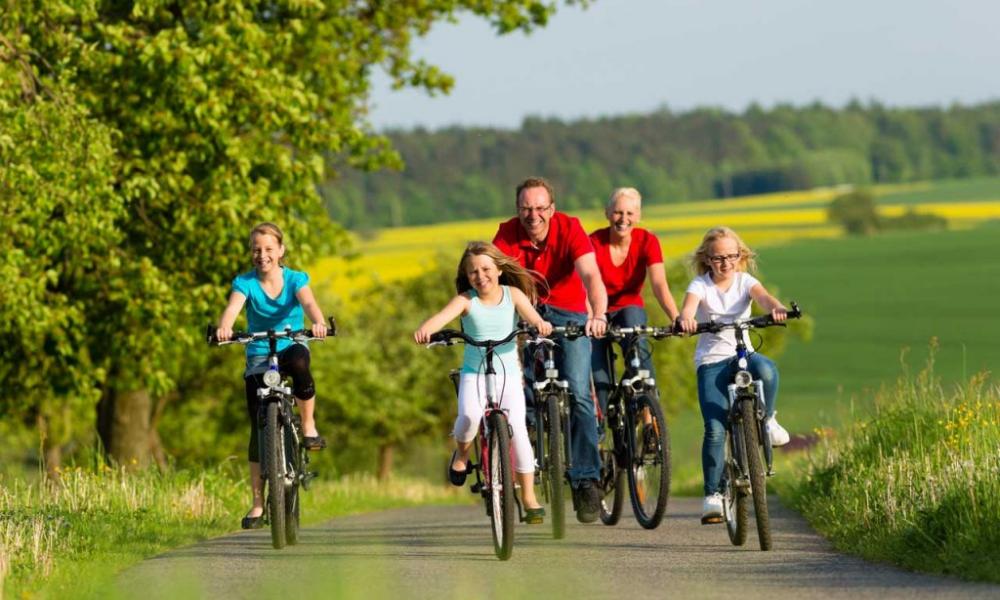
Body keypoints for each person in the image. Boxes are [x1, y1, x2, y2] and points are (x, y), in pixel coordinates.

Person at [492, 176, 609, 524]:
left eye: (541, 208)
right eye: (527, 208)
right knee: (516, 391)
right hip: (525, 312)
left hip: (569, 311)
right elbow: (493, 279)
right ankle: (521, 466)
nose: (534, 215)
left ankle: (586, 480)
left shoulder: (571, 228)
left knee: (580, 394)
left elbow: (591, 276)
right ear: (518, 209)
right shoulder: (506, 234)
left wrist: (599, 314)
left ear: (552, 209)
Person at [413, 241, 553, 524]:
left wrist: (541, 325)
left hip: (508, 375)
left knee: (519, 434)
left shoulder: (513, 294)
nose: (481, 276)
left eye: (486, 269)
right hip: (474, 373)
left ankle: (528, 496)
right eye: (473, 272)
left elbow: (534, 318)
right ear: (467, 276)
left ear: (499, 270)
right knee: (469, 416)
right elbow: (440, 318)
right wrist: (427, 330)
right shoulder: (466, 300)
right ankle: (462, 455)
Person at [215, 222, 329, 530]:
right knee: (257, 428)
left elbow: (308, 303)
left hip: (291, 344)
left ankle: (307, 426)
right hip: (259, 353)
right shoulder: (245, 283)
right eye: (256, 249)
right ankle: (256, 503)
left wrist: (318, 322)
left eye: (268, 249)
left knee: (301, 364)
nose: (262, 255)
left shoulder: (295, 278)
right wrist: (225, 328)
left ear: (280, 250)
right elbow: (232, 308)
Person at [676, 226, 791, 524]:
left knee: (766, 368)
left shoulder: (745, 281)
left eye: (731, 256)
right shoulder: (700, 285)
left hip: (743, 354)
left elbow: (763, 298)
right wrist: (686, 319)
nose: (725, 263)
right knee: (715, 429)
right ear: (707, 259)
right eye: (718, 258)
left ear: (740, 256)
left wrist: (777, 309)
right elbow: (688, 307)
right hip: (712, 362)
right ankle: (712, 495)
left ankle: (768, 420)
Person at [589, 187, 680, 422]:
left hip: (627, 307)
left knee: (636, 337)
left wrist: (675, 317)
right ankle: (599, 427)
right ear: (608, 213)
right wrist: (592, 317)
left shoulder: (647, 241)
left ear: (638, 216)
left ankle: (647, 410)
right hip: (595, 310)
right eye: (618, 212)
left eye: (630, 213)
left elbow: (659, 284)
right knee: (597, 371)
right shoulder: (593, 242)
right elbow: (582, 285)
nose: (623, 219)